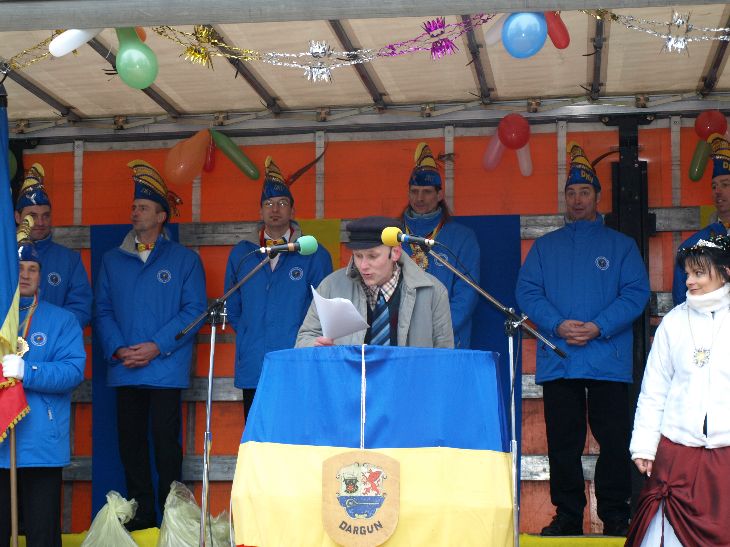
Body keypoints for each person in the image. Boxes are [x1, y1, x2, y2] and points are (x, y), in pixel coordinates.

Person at [515, 142, 650, 537]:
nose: (577, 200)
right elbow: (527, 292)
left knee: (615, 441)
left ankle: (615, 515)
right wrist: (557, 324)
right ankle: (569, 515)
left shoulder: (621, 246)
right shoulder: (545, 247)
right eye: (571, 193)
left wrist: (598, 326)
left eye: (584, 192)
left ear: (597, 197)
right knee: (563, 442)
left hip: (607, 358)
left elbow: (636, 293)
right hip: (560, 356)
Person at [94, 160, 207, 530]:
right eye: (133, 207)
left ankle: (173, 517)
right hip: (125, 365)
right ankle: (141, 516)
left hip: (164, 368)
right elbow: (102, 309)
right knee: (130, 444)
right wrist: (118, 348)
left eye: (143, 207)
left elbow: (195, 310)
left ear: (161, 216)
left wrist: (157, 346)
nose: (135, 213)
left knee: (165, 444)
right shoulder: (112, 259)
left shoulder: (184, 260)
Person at [626, 235, 730, 546]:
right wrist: (644, 446)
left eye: (699, 273)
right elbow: (654, 389)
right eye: (687, 274)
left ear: (725, 272)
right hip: (677, 454)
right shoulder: (673, 322)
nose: (689, 281)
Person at [224, 156, 332, 420]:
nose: (275, 209)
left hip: (297, 359)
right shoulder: (243, 253)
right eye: (268, 204)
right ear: (260, 211)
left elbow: (324, 308)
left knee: (296, 431)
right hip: (254, 361)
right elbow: (232, 306)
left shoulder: (313, 253)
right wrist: (249, 331)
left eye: (282, 203)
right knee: (256, 433)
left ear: (292, 211)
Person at [0, 235, 85, 547]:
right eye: (19, 267)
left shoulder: (62, 320)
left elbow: (73, 371)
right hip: (1, 441)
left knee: (42, 534)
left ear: (41, 275)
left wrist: (28, 372)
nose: (25, 275)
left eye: (32, 269)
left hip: (41, 444)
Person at [296, 215, 454, 348]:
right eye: (358, 256)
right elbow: (304, 339)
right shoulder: (330, 286)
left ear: (395, 252)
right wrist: (314, 346)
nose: (363, 265)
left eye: (373, 256)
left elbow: (445, 356)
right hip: (349, 377)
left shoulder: (433, 291)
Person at [400, 142, 480, 348]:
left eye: (427, 191)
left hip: (447, 339)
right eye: (414, 191)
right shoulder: (394, 234)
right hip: (400, 338)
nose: (419, 198)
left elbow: (467, 294)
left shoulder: (462, 237)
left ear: (439, 195)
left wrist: (438, 331)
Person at [14, 163, 92, 327]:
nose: (40, 222)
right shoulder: (5, 256)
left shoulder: (70, 260)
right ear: (17, 217)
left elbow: (81, 308)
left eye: (46, 216)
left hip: (55, 341)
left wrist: (52, 333)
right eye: (32, 216)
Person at [672, 132, 730, 305]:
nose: (717, 191)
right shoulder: (694, 245)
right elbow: (681, 303)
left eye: (725, 184)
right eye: (714, 186)